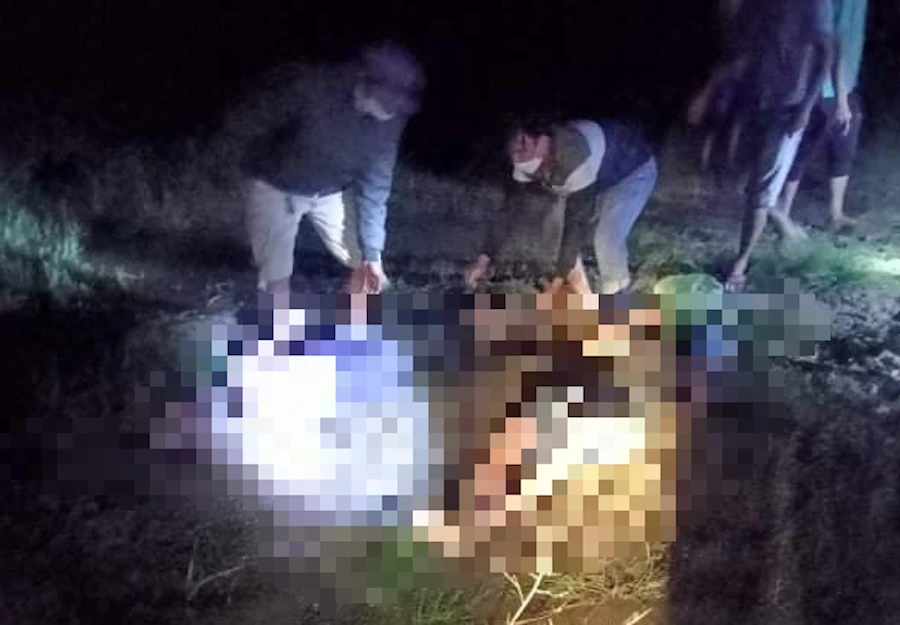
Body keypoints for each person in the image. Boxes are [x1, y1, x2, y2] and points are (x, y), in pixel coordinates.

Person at [223, 41, 425, 298]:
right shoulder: (315, 90)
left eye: (401, 101)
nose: (395, 107)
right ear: (368, 83)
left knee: (367, 268)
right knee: (276, 276)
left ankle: (356, 316)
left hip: (331, 192)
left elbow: (376, 189)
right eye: (390, 96)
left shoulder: (390, 122)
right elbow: (254, 123)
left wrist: (373, 253)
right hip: (277, 187)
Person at [688, 0, 835, 292]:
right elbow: (742, 54)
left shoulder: (813, 4)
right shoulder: (759, 7)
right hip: (756, 101)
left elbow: (826, 52)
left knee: (759, 190)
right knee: (746, 184)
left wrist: (806, 107)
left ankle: (740, 265)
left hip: (789, 107)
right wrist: (708, 92)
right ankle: (784, 225)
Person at [464, 117, 658, 295]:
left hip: (633, 173)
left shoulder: (575, 155)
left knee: (606, 238)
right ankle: (587, 301)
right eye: (515, 148)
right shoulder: (525, 159)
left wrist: (557, 282)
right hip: (597, 179)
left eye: (524, 144)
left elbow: (576, 222)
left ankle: (619, 294)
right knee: (554, 231)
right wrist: (483, 259)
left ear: (542, 141)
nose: (519, 151)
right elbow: (511, 210)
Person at [778, 0, 869, 233]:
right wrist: (840, 97)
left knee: (844, 143)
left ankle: (835, 213)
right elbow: (831, 45)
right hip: (822, 85)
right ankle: (782, 212)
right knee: (803, 149)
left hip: (846, 82)